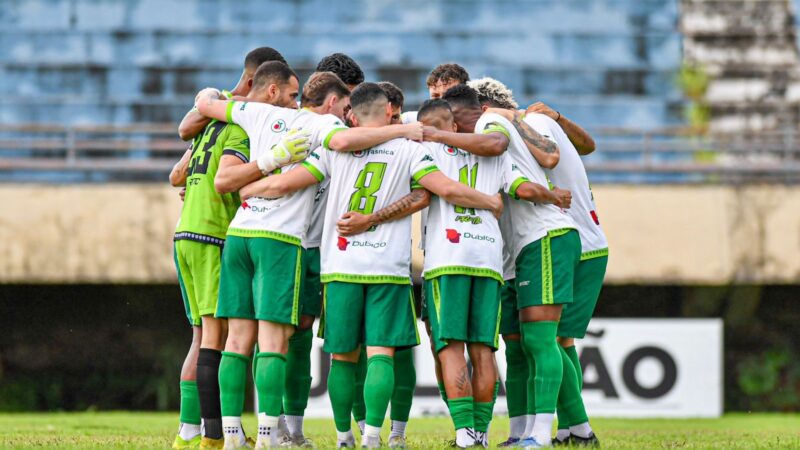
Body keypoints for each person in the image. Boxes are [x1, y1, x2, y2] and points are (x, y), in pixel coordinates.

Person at [235, 83, 503, 448]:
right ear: (390, 111)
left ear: (352, 114)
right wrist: (489, 201)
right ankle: (374, 437)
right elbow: (441, 190)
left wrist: (250, 190)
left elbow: (286, 184)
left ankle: (345, 436)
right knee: (382, 354)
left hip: (340, 266)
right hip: (387, 268)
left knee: (343, 358)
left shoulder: (333, 148)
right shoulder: (410, 149)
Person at [195, 63, 424, 450]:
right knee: (272, 342)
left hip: (240, 233)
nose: (347, 117)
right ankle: (270, 435)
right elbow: (346, 143)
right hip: (280, 240)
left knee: (236, 341)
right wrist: (403, 129)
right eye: (344, 108)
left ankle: (232, 436)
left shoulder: (262, 113)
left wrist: (254, 185)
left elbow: (205, 102)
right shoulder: (325, 128)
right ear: (334, 102)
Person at [416, 99, 570, 448]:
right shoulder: (496, 156)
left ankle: (465, 434)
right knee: (484, 350)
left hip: (447, 258)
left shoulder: (424, 152)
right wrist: (553, 195)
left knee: (451, 348)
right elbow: (525, 190)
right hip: (488, 259)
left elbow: (439, 191)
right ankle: (483, 434)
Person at [471, 77, 606, 446]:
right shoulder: (514, 129)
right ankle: (565, 429)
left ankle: (573, 428)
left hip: (572, 238)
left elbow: (555, 156)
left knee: (554, 340)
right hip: (540, 242)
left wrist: (529, 116)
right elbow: (587, 146)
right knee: (536, 342)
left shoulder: (527, 124)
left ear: (482, 107)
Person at [167, 46, 288, 450]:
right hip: (214, 233)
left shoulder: (209, 120)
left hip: (185, 232)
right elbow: (227, 178)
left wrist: (191, 185)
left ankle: (189, 431)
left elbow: (175, 174)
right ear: (262, 85)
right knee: (215, 340)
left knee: (200, 334)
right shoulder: (240, 126)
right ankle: (214, 436)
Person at [401, 63, 470, 124]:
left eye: (449, 96)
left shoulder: (478, 124)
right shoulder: (412, 120)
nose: (442, 102)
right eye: (435, 96)